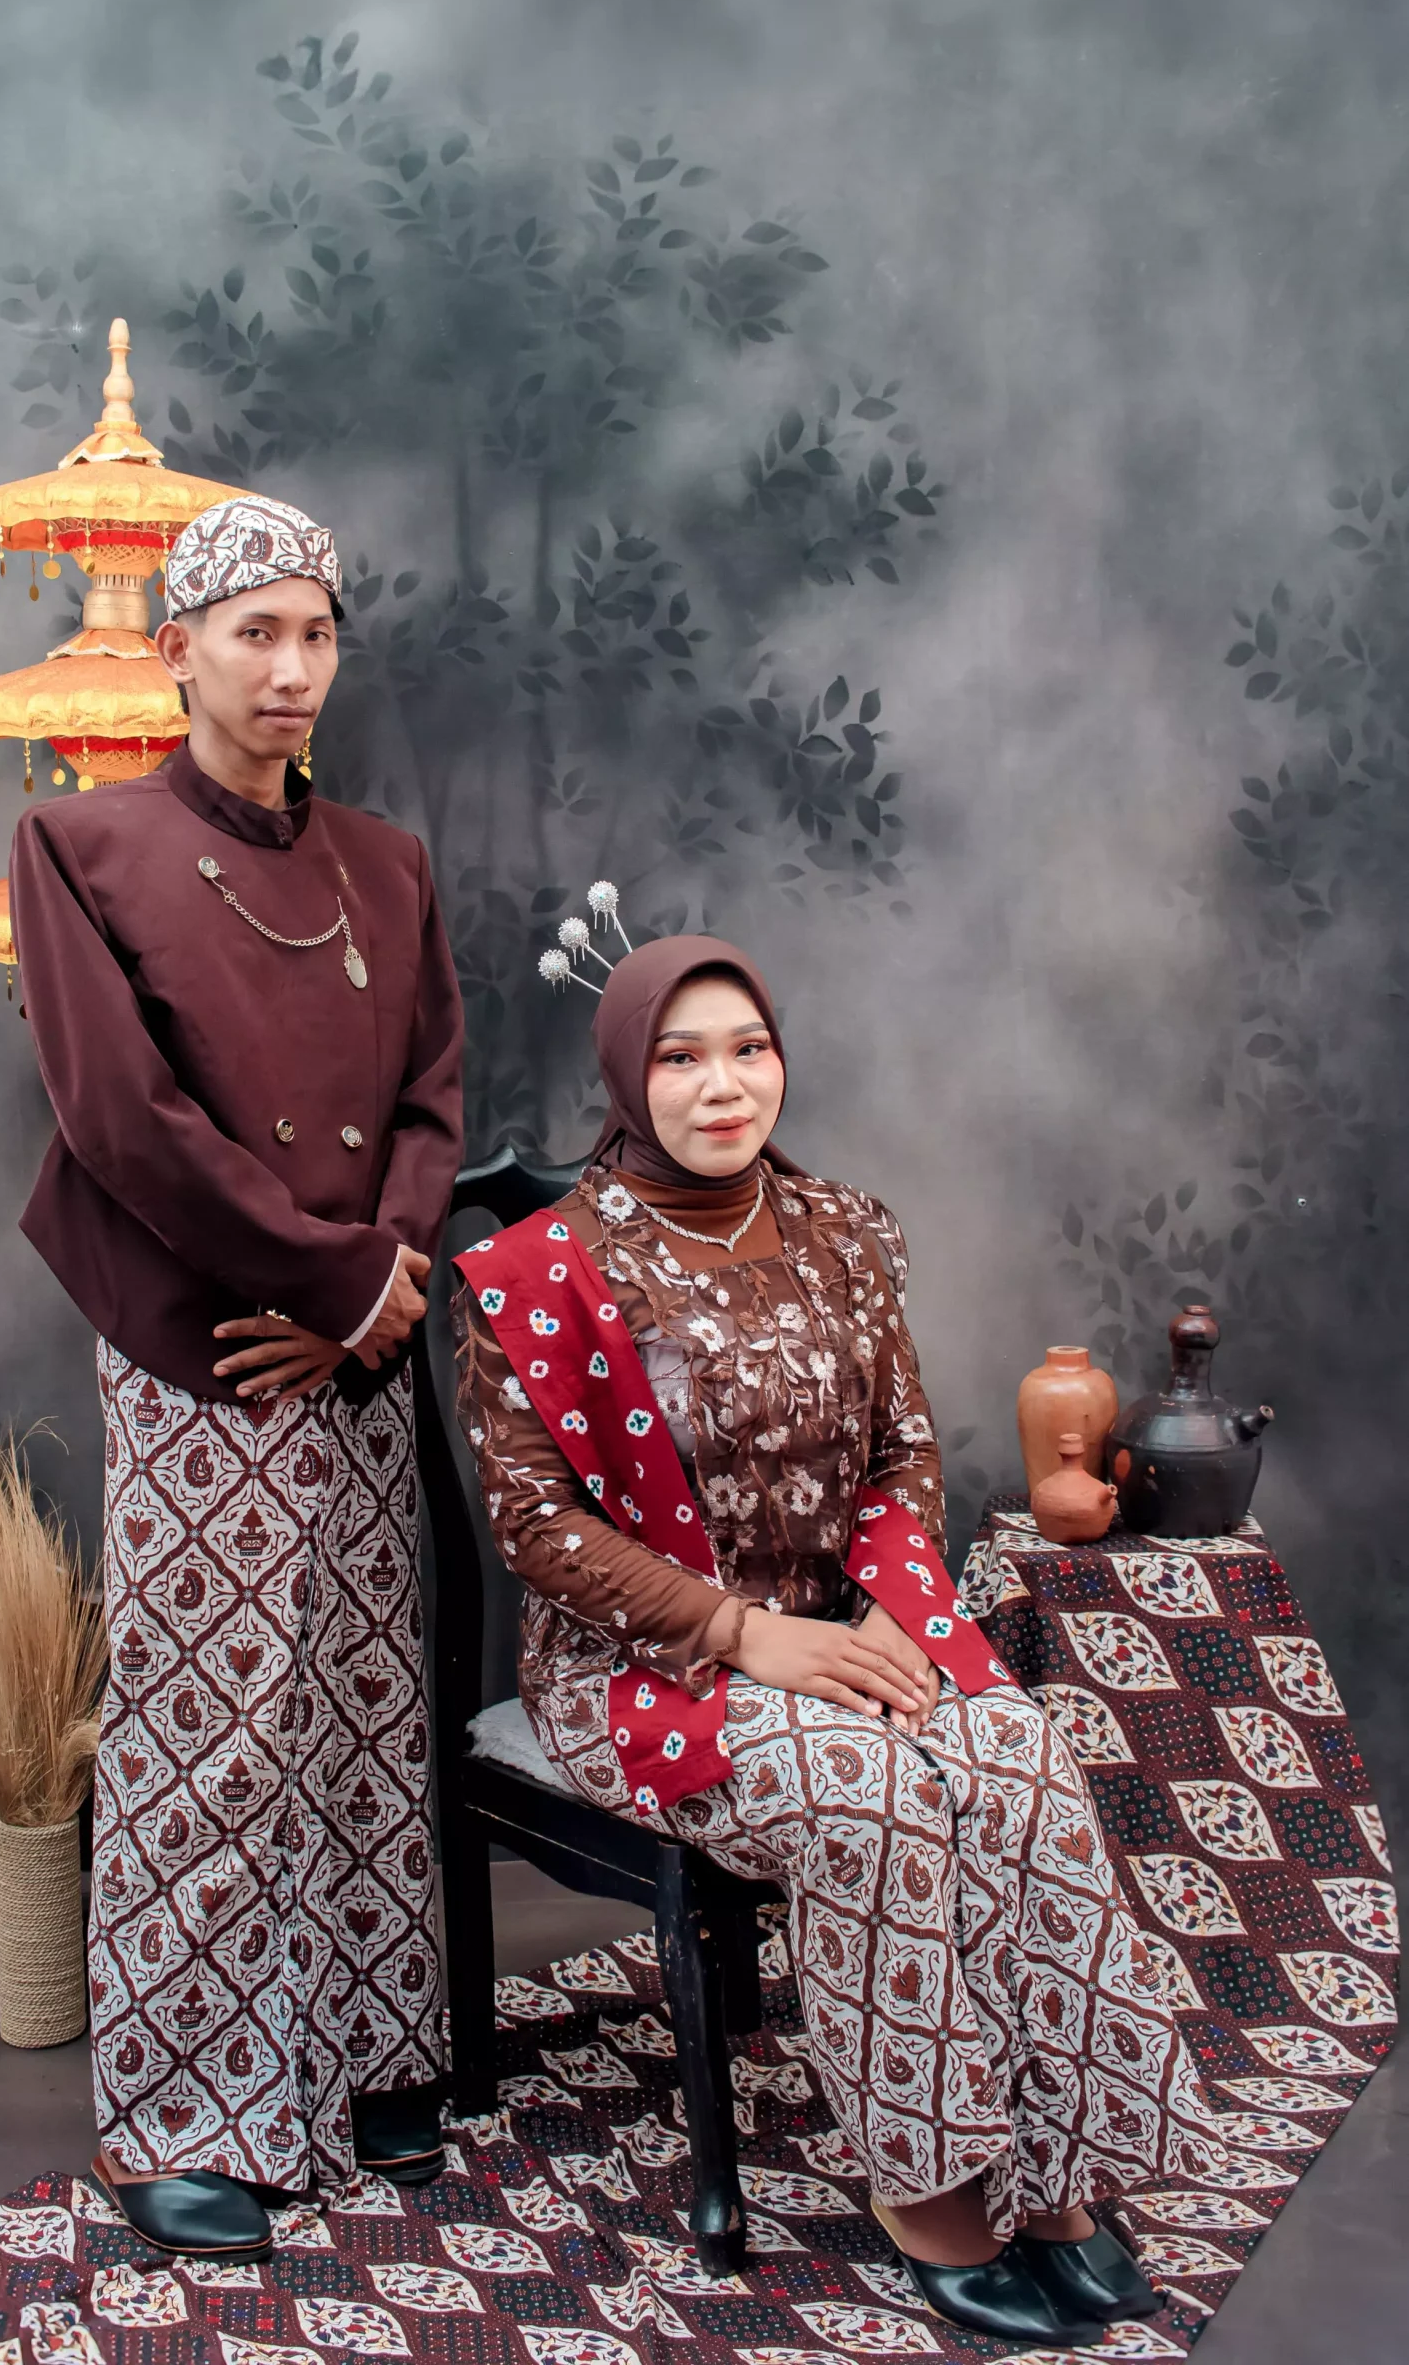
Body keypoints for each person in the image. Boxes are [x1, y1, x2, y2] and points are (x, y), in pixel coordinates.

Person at [453, 933, 1236, 2348]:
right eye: (681, 1058)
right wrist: (741, 1633)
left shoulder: (843, 1230)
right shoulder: (538, 1271)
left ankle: (1056, 2176)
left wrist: (892, 1607)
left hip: (849, 1624)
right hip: (642, 1669)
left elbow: (898, 1457)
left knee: (1016, 1759)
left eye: (747, 1049)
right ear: (627, 1077)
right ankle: (932, 2191)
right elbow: (536, 1529)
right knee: (869, 1796)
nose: (723, 1086)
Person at [9, 494, 464, 2256]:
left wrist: (385, 1285)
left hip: (355, 1345)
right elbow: (122, 1120)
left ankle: (371, 2051)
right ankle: (182, 2111)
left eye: (315, 633)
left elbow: (428, 1096)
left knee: (358, 1706)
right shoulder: (82, 844)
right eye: (253, 633)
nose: (290, 668)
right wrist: (334, 1279)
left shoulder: (386, 862)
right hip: (205, 1343)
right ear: (177, 650)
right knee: (211, 1729)